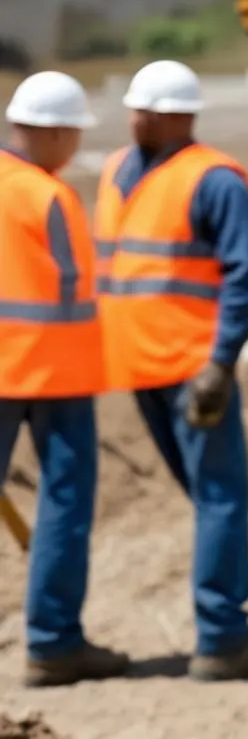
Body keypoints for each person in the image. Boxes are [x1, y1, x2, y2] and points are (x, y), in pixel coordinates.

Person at [94, 59, 248, 682]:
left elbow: (245, 277)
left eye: (146, 108)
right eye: (133, 107)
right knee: (212, 497)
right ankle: (222, 633)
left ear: (179, 115)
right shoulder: (118, 168)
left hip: (193, 366)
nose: (135, 117)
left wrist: (221, 363)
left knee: (218, 498)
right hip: (139, 363)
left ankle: (222, 635)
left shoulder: (214, 180)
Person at [1, 72, 129, 687]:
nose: (75, 146)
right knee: (64, 505)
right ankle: (52, 643)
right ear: (49, 131)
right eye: (73, 134)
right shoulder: (47, 196)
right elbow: (77, 288)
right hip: (53, 372)